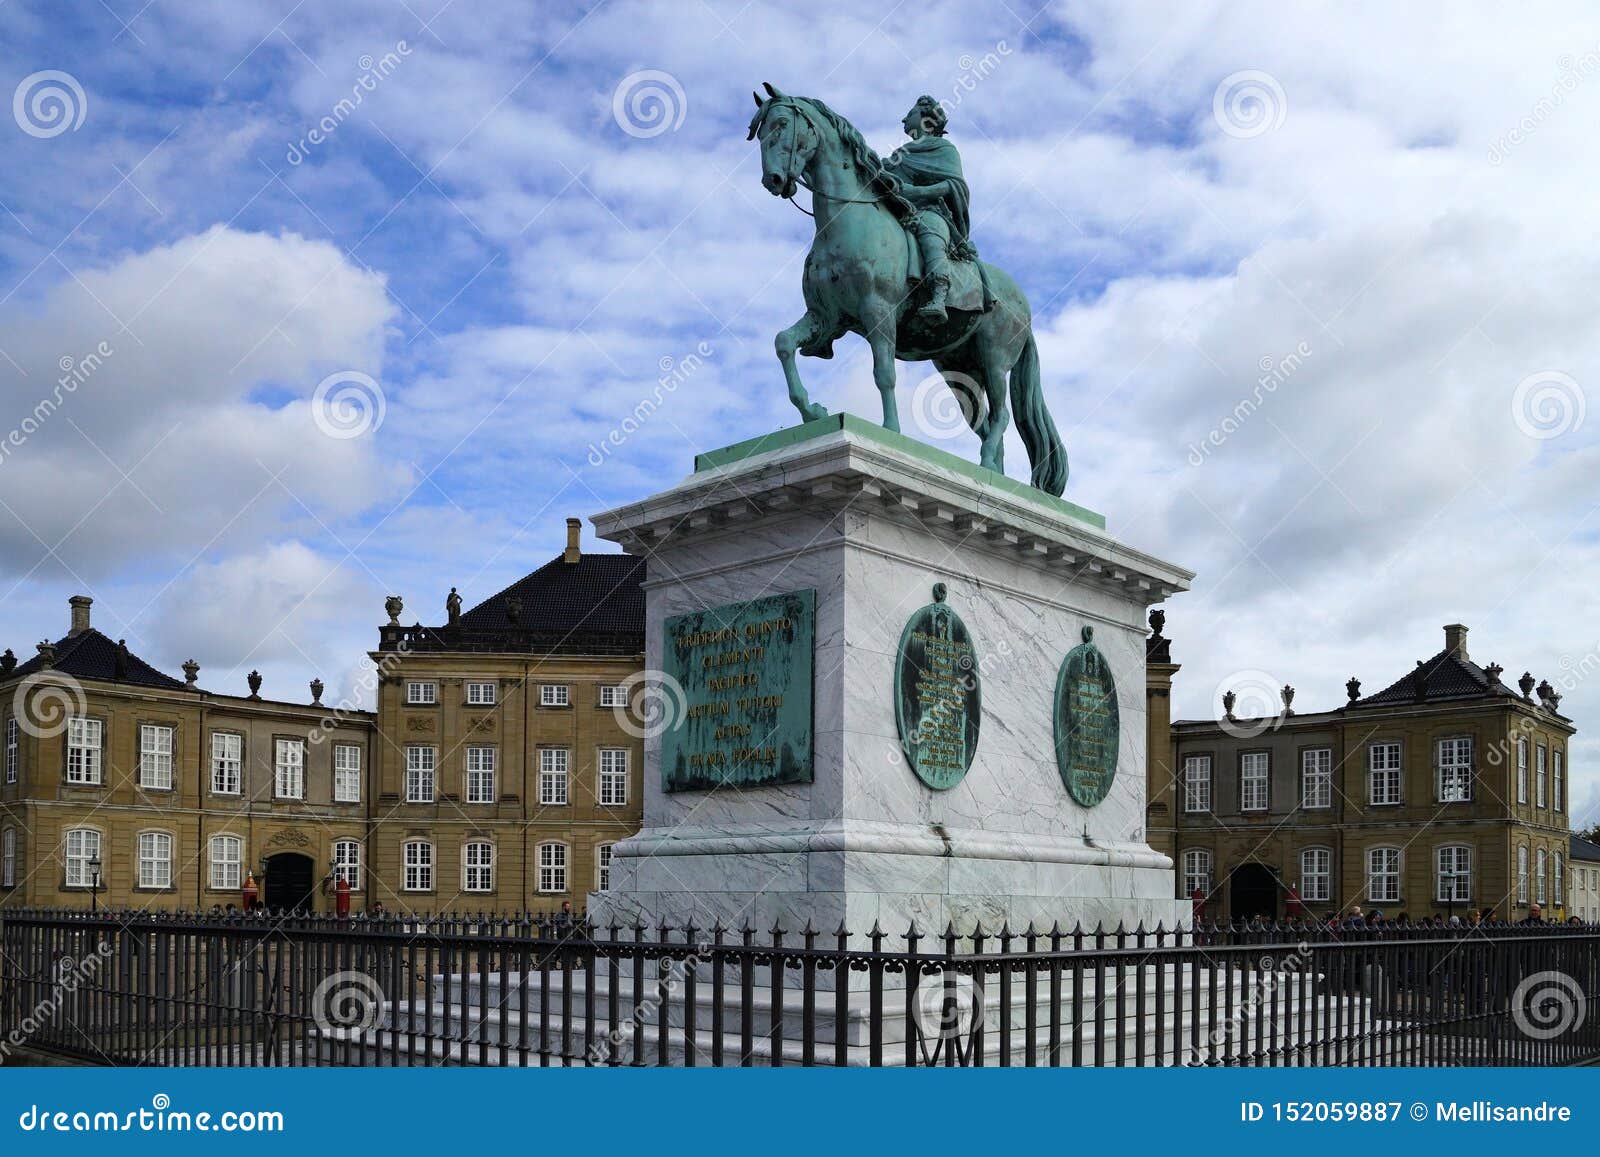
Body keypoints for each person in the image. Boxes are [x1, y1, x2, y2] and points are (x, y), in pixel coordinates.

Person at [878, 96, 975, 324]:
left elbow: (955, 186)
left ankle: (939, 295)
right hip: (897, 212)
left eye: (909, 114)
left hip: (930, 211)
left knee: (930, 232)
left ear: (925, 119)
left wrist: (917, 192)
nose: (904, 118)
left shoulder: (944, 149)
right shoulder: (898, 155)